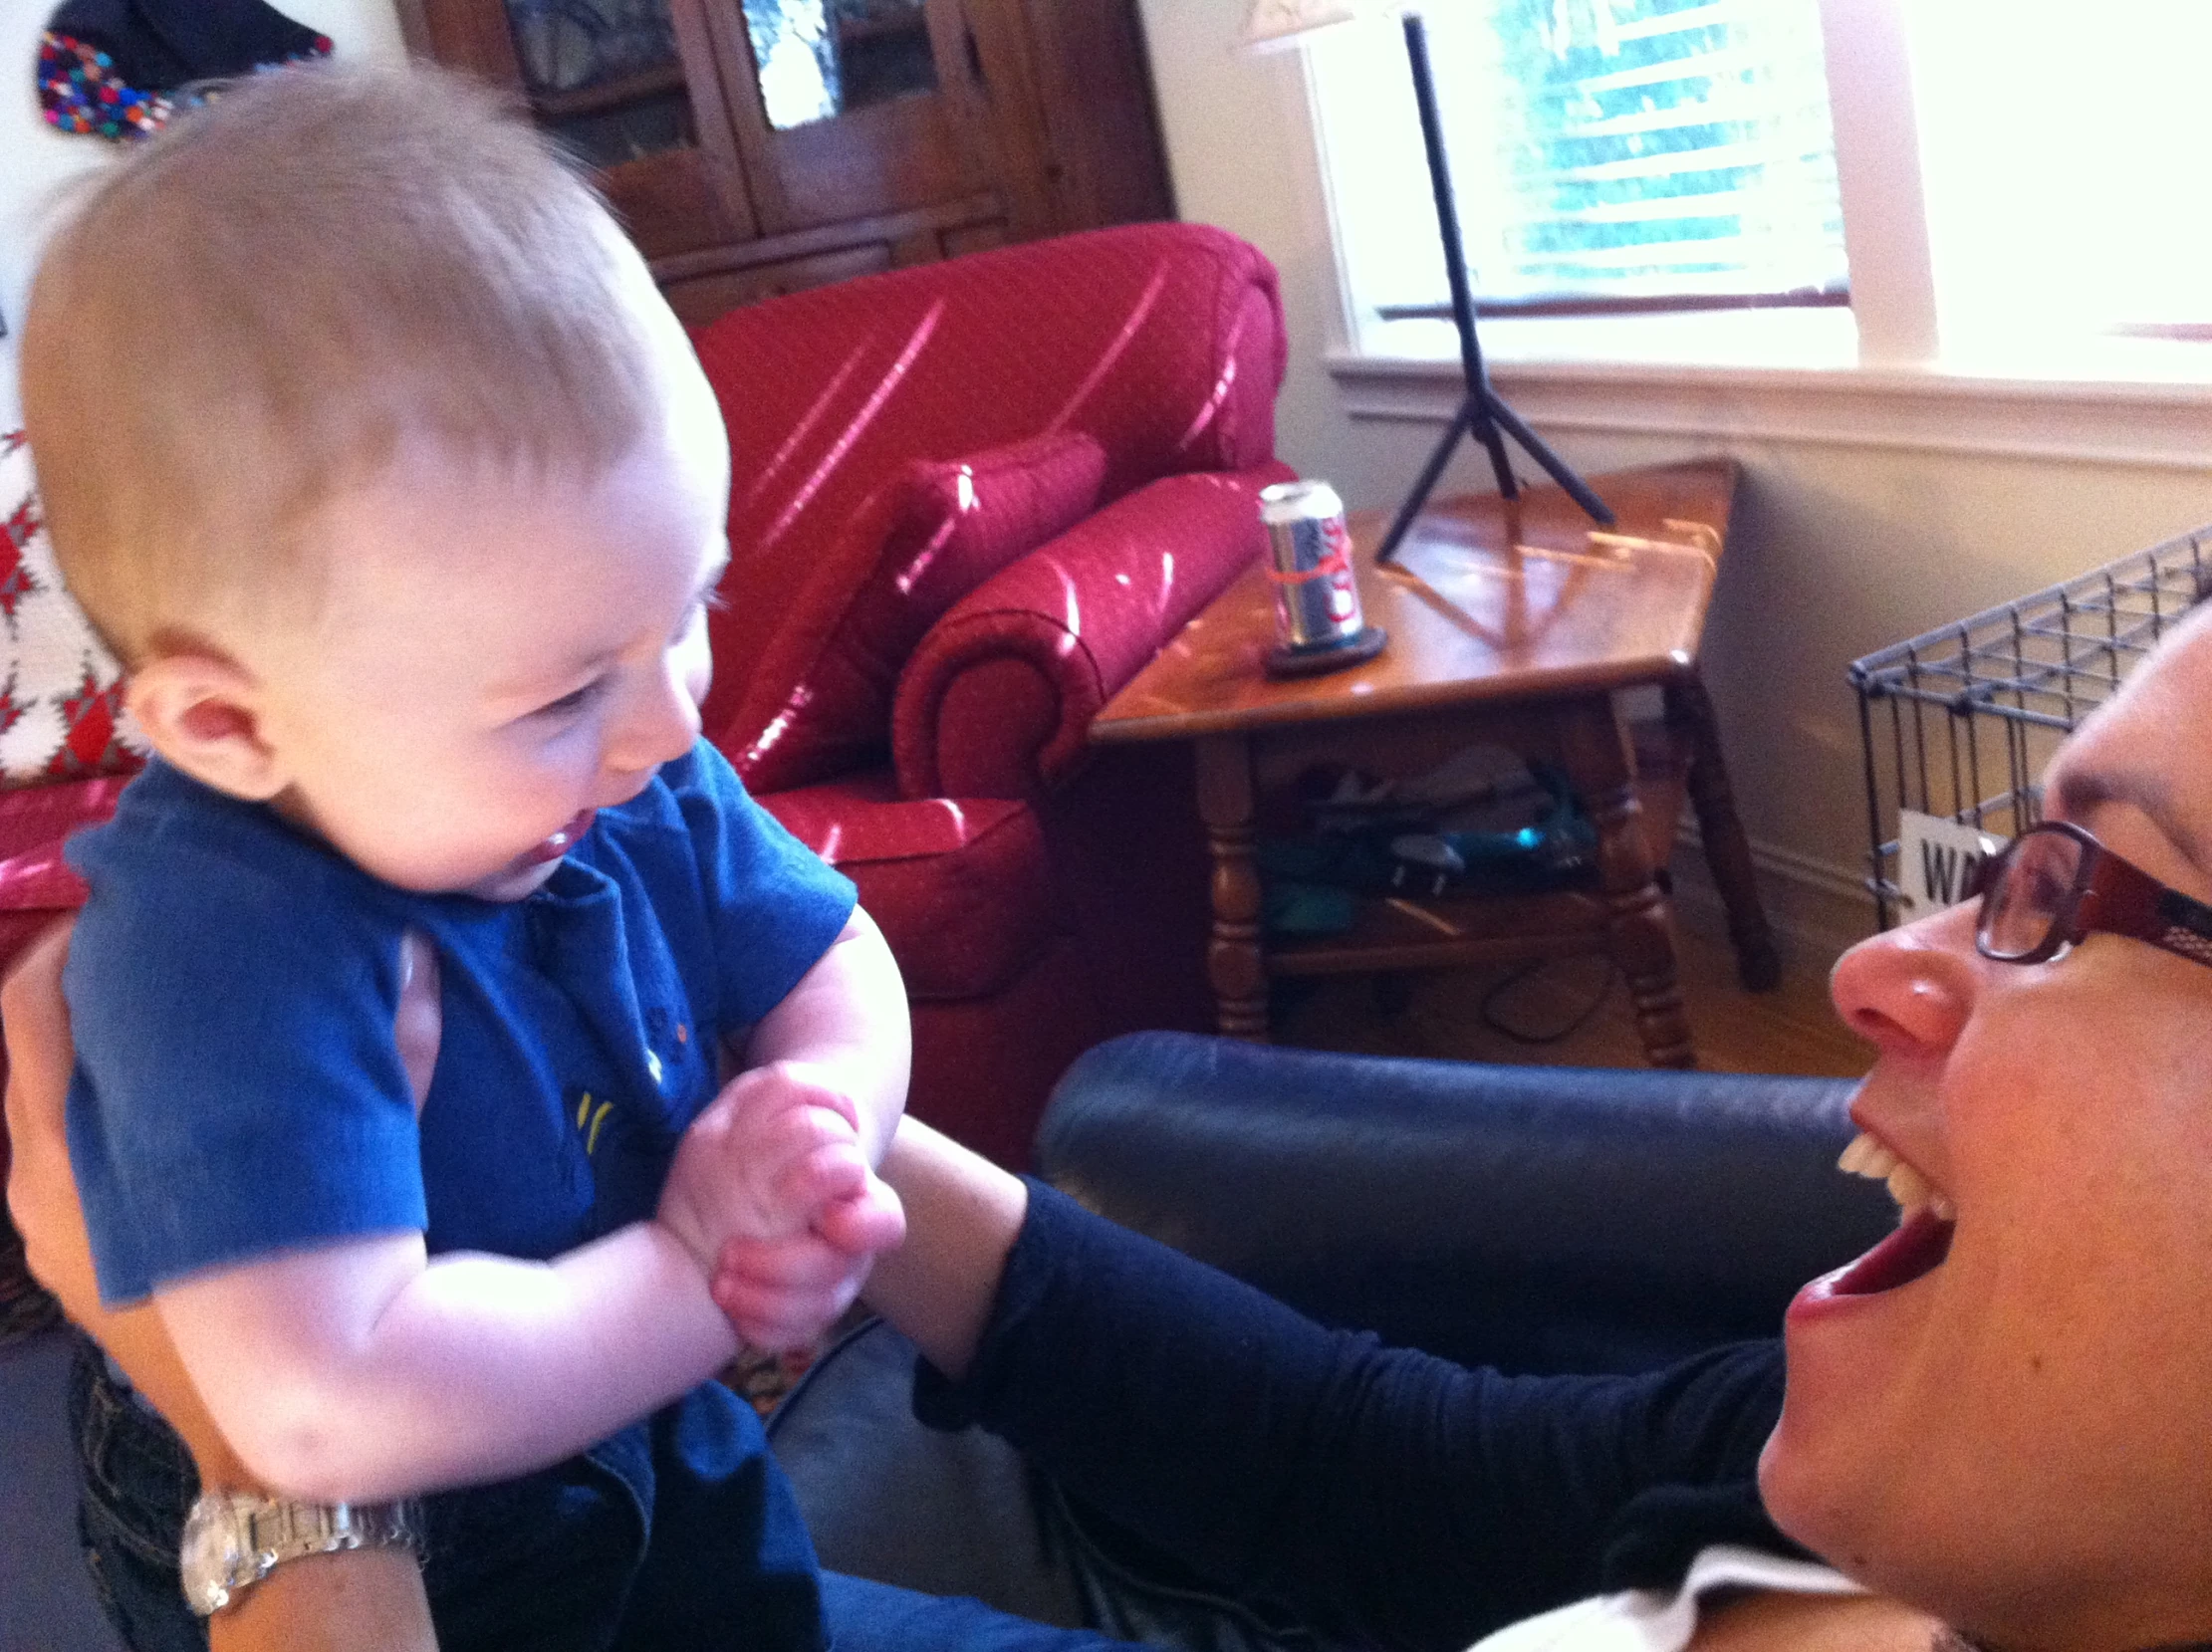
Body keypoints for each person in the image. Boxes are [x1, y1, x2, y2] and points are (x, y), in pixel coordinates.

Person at [27, 596, 2212, 1648]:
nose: (1882, 962)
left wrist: (281, 1478)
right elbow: (1374, 1469)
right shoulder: (1910, 1482)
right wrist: (782, 1145)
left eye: (2069, 901)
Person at [10, 60, 1149, 1652]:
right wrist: (700, 1273)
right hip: (422, 1554)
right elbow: (327, 1408)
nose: (669, 719)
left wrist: (815, 1101)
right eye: (559, 692)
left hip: (641, 1421)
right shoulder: (217, 951)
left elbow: (826, 953)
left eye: (692, 607)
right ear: (225, 723)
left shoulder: (623, 769)